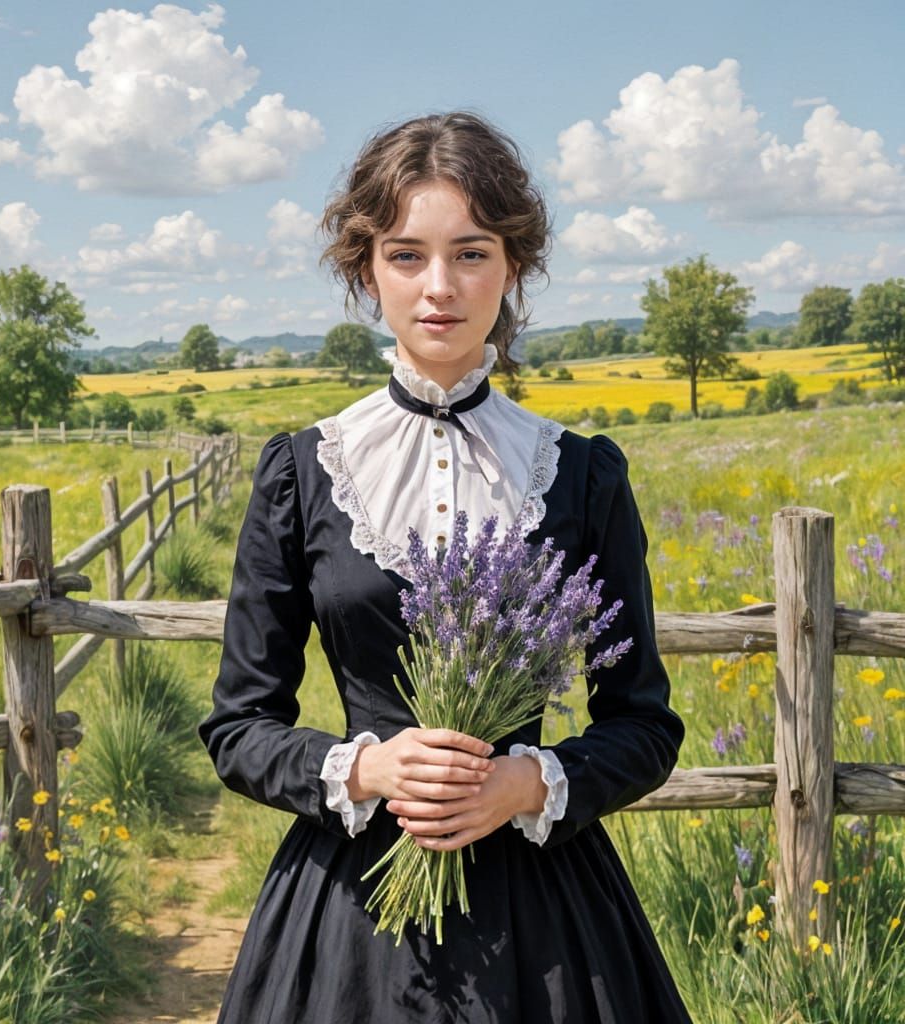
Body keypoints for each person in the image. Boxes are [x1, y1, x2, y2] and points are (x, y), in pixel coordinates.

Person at [199, 111, 691, 1024]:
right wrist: (369, 771)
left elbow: (644, 726)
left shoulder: (580, 473)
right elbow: (239, 726)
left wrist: (528, 782)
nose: (440, 287)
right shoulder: (304, 471)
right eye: (405, 254)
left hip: (543, 917)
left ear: (513, 268)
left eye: (471, 254)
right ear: (365, 269)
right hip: (352, 912)